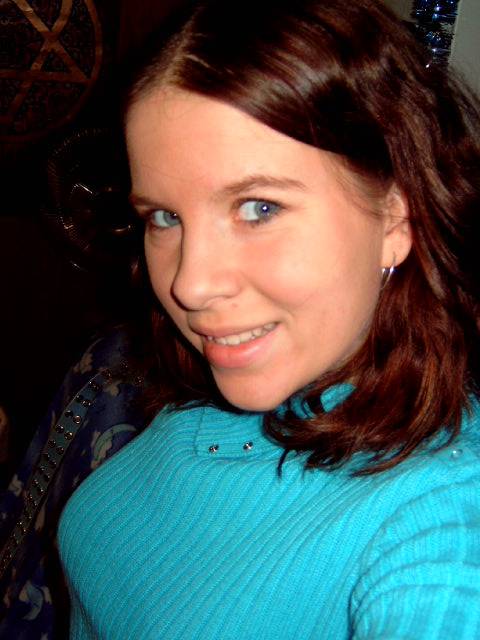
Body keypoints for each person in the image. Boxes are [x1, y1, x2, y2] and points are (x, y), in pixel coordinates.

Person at [11, 0, 480, 637]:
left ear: (396, 217)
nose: (190, 285)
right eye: (164, 217)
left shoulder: (443, 513)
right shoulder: (234, 387)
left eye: (259, 208)